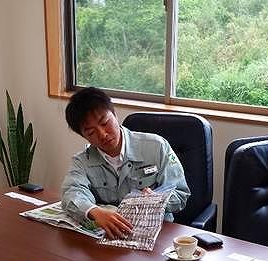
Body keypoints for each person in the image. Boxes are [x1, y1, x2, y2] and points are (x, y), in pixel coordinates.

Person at [60, 87, 190, 239]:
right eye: (91, 132)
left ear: (114, 114)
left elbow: (181, 193)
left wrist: (156, 200)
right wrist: (94, 211)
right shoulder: (82, 161)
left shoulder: (157, 146)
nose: (103, 134)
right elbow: (71, 192)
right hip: (110, 237)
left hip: (156, 234)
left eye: (105, 122)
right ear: (84, 136)